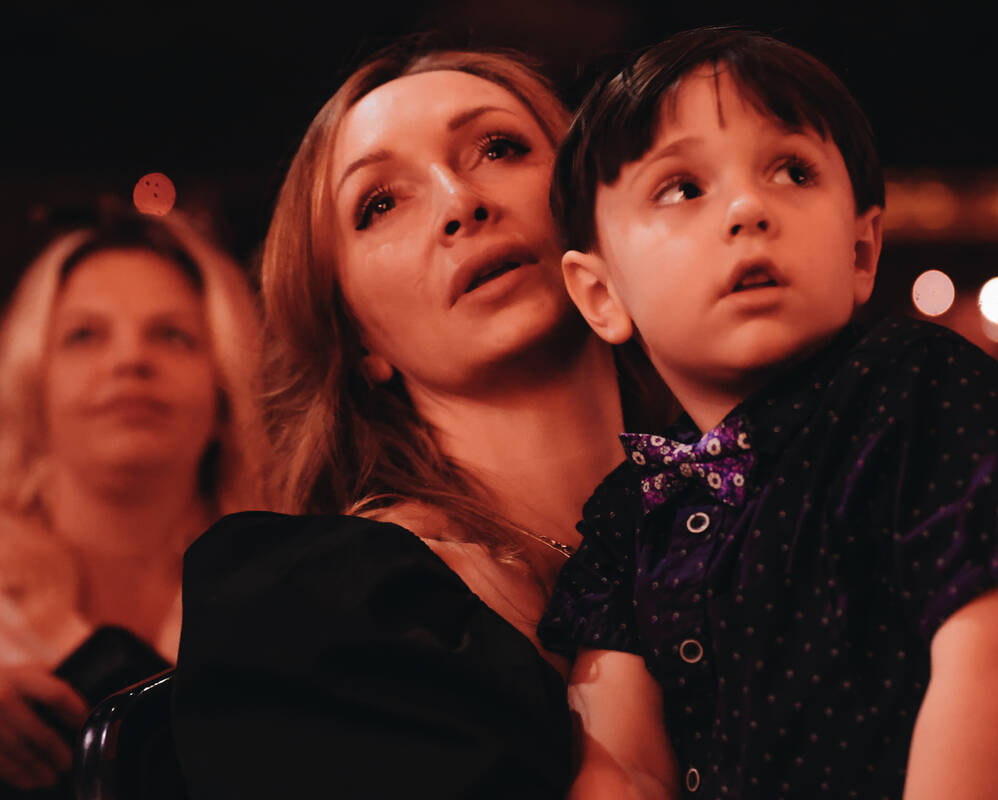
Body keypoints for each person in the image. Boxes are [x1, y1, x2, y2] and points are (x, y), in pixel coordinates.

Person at [537, 27, 998, 798]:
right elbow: (623, 756)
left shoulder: (920, 389)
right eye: (683, 187)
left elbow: (996, 657)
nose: (749, 207)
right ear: (600, 294)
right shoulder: (633, 509)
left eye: (792, 170)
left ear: (860, 251)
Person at [170, 45, 672, 799]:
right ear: (356, 335)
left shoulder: (778, 499)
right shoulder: (335, 613)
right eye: (380, 203)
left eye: (499, 149)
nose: (459, 201)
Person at [0, 212, 269, 795]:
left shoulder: (287, 599)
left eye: (172, 335)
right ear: (32, 383)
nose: (130, 361)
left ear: (225, 391)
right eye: (85, 335)